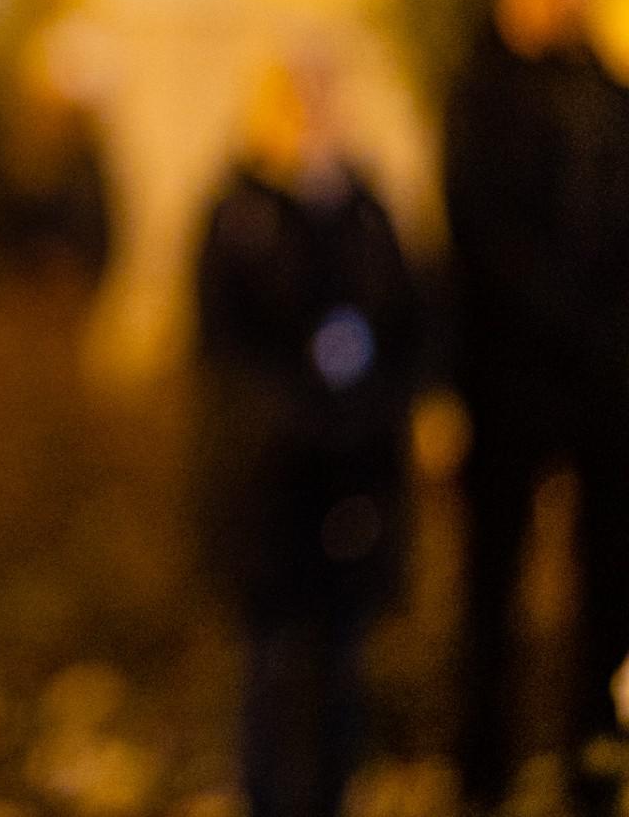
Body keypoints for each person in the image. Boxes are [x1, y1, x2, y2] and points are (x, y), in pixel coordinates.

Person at [446, 0, 629, 815]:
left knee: (616, 587)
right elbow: (479, 232)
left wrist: (618, 320)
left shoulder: (627, 102)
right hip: (508, 381)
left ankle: (606, 766)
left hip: (610, 384)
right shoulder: (477, 101)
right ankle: (483, 769)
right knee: (491, 588)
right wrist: (560, 315)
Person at [194, 50, 422, 817]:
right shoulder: (239, 215)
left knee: (343, 663)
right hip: (270, 484)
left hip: (355, 479)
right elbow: (224, 348)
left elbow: (410, 324)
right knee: (272, 664)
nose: (313, 120)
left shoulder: (367, 213)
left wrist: (371, 413)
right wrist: (298, 415)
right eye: (296, 102)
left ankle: (332, 797)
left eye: (326, 101)